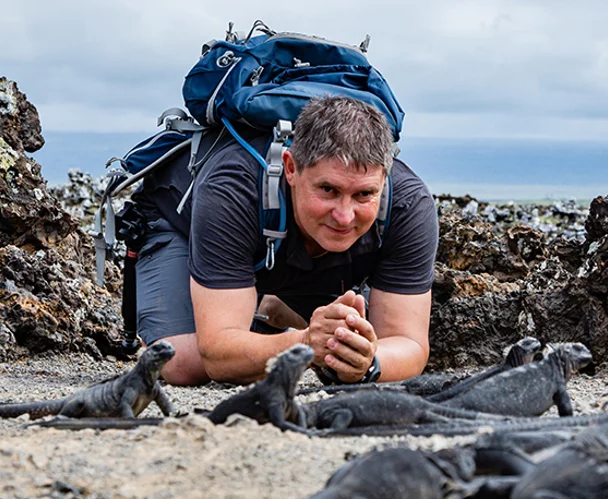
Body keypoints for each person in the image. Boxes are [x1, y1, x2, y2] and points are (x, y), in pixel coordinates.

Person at [133, 96, 438, 385]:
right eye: (328, 190)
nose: (345, 216)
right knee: (183, 363)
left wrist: (367, 362)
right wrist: (305, 342)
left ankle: (272, 307)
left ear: (384, 178)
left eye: (364, 194)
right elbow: (219, 357)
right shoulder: (231, 190)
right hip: (181, 226)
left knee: (354, 337)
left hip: (292, 249)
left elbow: (409, 343)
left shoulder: (408, 205)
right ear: (291, 168)